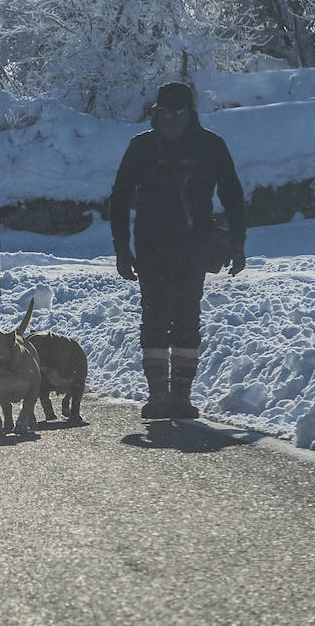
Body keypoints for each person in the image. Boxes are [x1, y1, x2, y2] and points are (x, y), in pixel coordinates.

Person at [109, 80, 246, 420]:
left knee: (185, 318)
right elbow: (119, 198)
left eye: (175, 110)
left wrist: (238, 242)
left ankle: (179, 395)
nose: (168, 116)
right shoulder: (148, 146)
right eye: (163, 109)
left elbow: (233, 196)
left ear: (188, 110)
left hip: (190, 244)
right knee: (156, 318)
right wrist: (122, 249)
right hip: (155, 246)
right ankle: (159, 395)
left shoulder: (209, 146)